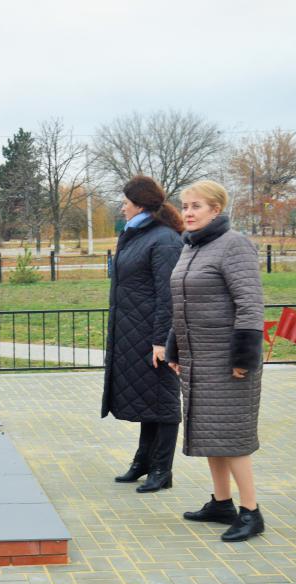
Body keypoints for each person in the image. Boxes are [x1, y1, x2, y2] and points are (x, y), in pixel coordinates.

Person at [166, 180, 265, 542]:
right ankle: (221, 502)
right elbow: (182, 304)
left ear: (216, 210)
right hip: (197, 359)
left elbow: (250, 305)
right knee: (211, 433)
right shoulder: (190, 248)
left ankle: (251, 512)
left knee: (233, 437)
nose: (188, 213)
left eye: (197, 206)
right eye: (185, 206)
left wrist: (243, 358)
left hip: (228, 362)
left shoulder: (233, 245)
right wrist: (175, 348)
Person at [102, 175, 184, 493]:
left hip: (154, 335)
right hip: (133, 333)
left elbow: (168, 295)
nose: (122, 208)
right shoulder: (138, 235)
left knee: (163, 401)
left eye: (125, 202)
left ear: (139, 204)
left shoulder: (164, 240)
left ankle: (163, 469)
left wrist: (161, 341)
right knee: (151, 400)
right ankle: (144, 462)